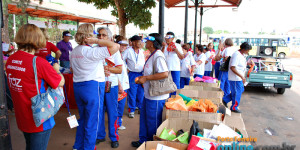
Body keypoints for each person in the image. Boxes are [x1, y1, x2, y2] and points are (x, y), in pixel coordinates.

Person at [5, 24, 65, 150]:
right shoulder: (38, 62)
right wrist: (57, 70)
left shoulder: (11, 60)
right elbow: (60, 82)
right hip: (40, 118)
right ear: (38, 39)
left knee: (30, 146)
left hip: (22, 116)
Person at [70, 24, 119, 150]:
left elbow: (72, 68)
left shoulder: (74, 51)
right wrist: (97, 41)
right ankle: (89, 147)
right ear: (89, 36)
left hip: (78, 86)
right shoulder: (91, 51)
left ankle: (78, 146)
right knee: (93, 121)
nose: (97, 37)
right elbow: (115, 46)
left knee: (84, 119)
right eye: (95, 35)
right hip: (92, 87)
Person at [131, 33, 169, 148]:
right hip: (149, 95)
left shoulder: (158, 56)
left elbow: (164, 73)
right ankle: (144, 141)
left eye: (147, 41)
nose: (145, 43)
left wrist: (146, 78)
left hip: (156, 97)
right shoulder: (153, 54)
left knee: (153, 123)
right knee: (144, 120)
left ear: (152, 43)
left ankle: (152, 145)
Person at [96, 27, 123, 148]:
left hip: (111, 85)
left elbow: (119, 69)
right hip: (98, 84)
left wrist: (107, 69)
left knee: (112, 112)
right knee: (99, 111)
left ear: (110, 38)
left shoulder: (115, 51)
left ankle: (114, 136)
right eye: (99, 35)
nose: (101, 37)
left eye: (104, 35)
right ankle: (100, 135)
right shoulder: (94, 50)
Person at [223, 42, 252, 113]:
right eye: (248, 50)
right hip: (235, 78)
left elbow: (240, 64)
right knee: (237, 92)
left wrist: (248, 64)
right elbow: (233, 67)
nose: (248, 52)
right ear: (244, 49)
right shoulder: (236, 55)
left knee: (240, 90)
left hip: (238, 77)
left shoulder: (241, 55)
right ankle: (234, 107)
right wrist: (241, 76)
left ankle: (225, 99)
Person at [122, 35, 145, 118]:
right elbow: (122, 60)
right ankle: (131, 109)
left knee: (141, 92)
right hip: (132, 74)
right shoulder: (128, 51)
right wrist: (126, 68)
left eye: (141, 42)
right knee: (132, 92)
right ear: (134, 43)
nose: (140, 44)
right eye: (139, 42)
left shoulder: (141, 51)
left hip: (141, 74)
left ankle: (139, 107)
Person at [215, 38, 237, 104]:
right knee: (227, 82)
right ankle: (226, 96)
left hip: (224, 68)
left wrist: (223, 58)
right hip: (228, 69)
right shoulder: (232, 49)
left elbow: (227, 57)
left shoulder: (227, 49)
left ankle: (219, 96)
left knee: (221, 81)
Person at [115, 36, 130, 131]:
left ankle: (118, 122)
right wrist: (120, 86)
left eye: (125, 45)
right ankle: (117, 123)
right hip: (119, 85)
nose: (124, 47)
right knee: (119, 105)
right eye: (122, 45)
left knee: (120, 105)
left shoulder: (121, 55)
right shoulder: (115, 55)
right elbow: (114, 73)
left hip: (123, 84)